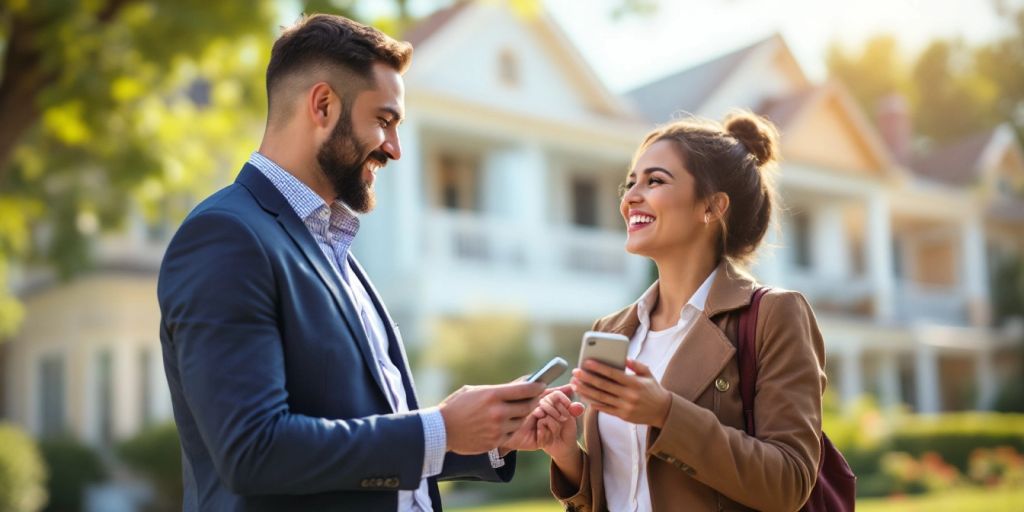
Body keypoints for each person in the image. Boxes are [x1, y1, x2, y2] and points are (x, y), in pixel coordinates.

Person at [157, 14, 551, 511]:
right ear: (322, 105)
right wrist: (442, 426)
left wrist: (487, 433)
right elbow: (253, 451)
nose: (395, 148)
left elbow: (356, 430)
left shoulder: (336, 245)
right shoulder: (226, 237)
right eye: (383, 121)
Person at [533, 112, 828, 511]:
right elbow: (622, 491)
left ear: (711, 207)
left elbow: (790, 482)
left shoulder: (774, 315)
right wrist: (567, 455)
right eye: (630, 183)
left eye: (654, 181)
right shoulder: (613, 330)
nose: (630, 197)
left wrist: (665, 413)